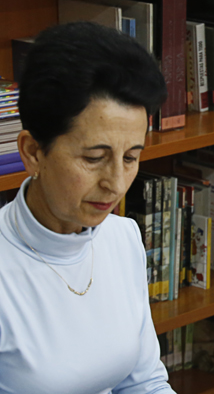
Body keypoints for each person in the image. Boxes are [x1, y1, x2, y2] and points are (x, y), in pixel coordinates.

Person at [0, 22, 173, 393]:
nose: (116, 183)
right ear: (33, 152)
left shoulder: (122, 238)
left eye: (131, 157)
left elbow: (144, 382)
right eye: (94, 158)